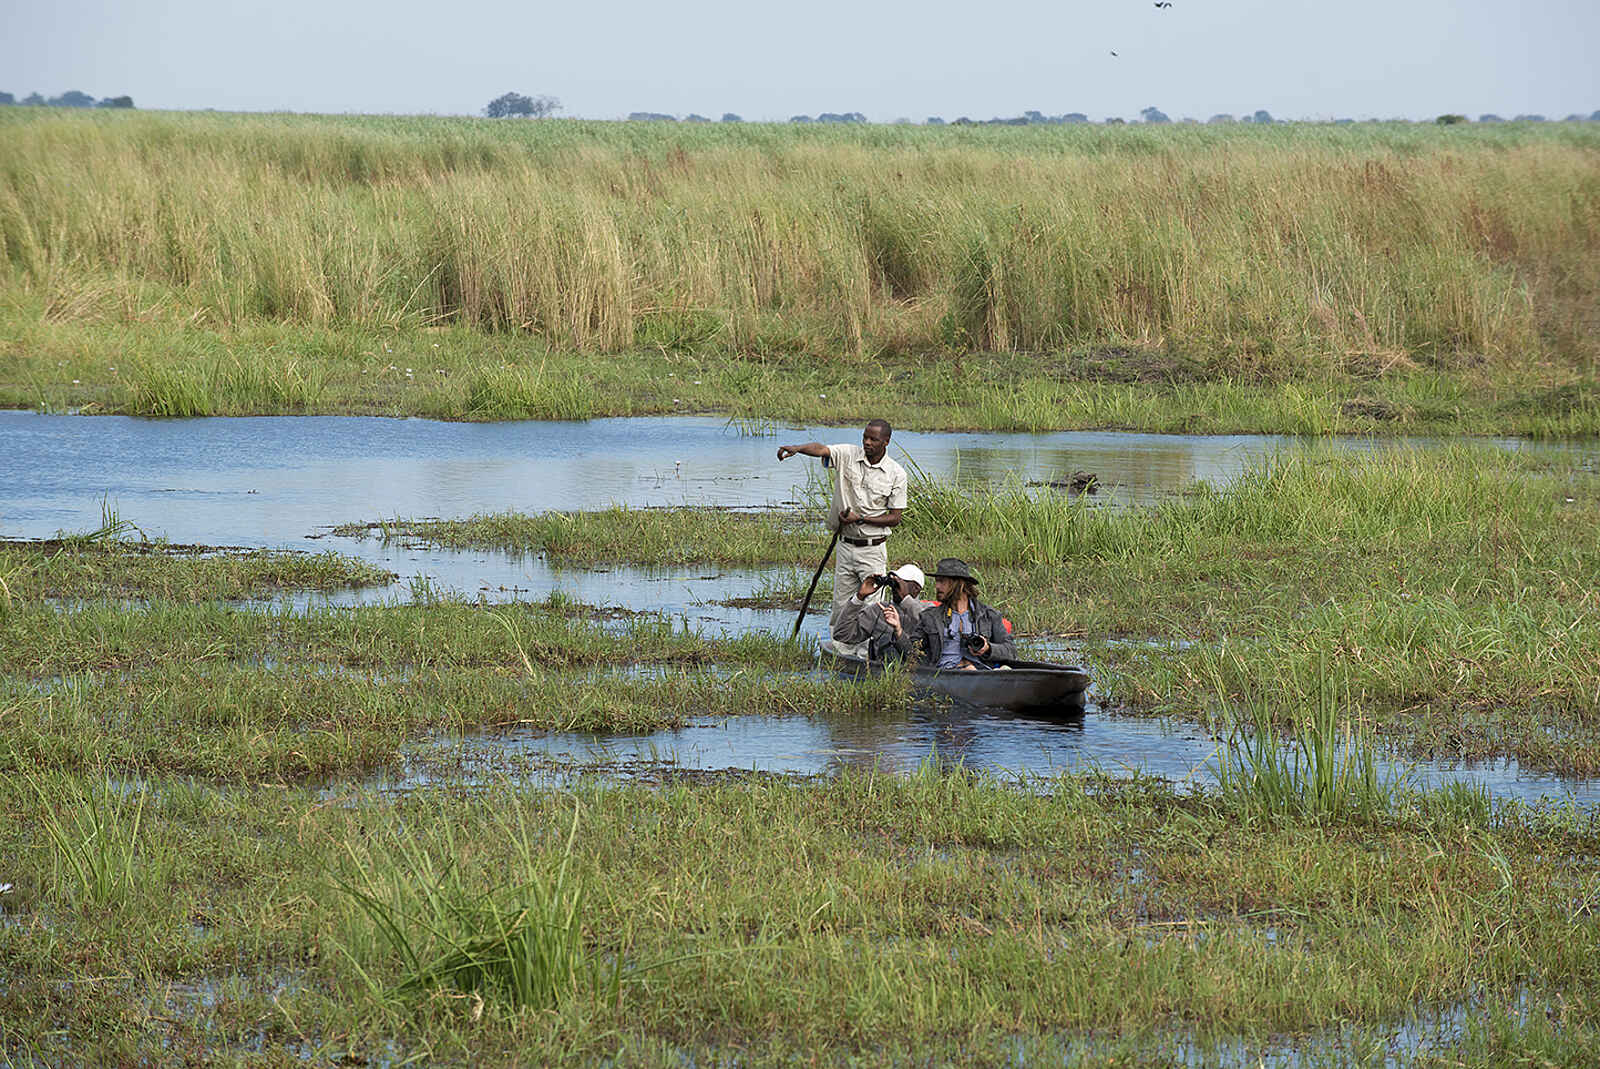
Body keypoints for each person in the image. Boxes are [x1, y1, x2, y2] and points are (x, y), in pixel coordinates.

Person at [776, 420, 908, 641]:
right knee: (841, 604)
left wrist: (861, 518)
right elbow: (822, 449)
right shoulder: (848, 454)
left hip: (872, 548)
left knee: (871, 605)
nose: (867, 442)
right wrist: (797, 449)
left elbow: (895, 518)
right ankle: (839, 648)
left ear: (886, 442)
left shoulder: (895, 473)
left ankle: (868, 651)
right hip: (846, 545)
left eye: (873, 439)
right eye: (865, 437)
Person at [911, 558, 1015, 670]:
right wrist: (898, 631)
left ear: (958, 584)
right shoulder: (930, 617)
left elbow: (1011, 651)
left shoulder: (989, 615)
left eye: (942, 581)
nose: (937, 586)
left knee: (1005, 669)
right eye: (937, 581)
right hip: (946, 675)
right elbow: (911, 652)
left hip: (983, 675)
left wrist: (988, 648)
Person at [833, 563, 928, 661]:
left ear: (916, 589)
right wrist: (859, 597)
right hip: (881, 671)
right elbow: (841, 634)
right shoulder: (879, 610)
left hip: (917, 670)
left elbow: (930, 625)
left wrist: (905, 600)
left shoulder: (926, 610)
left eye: (901, 582)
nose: (895, 586)